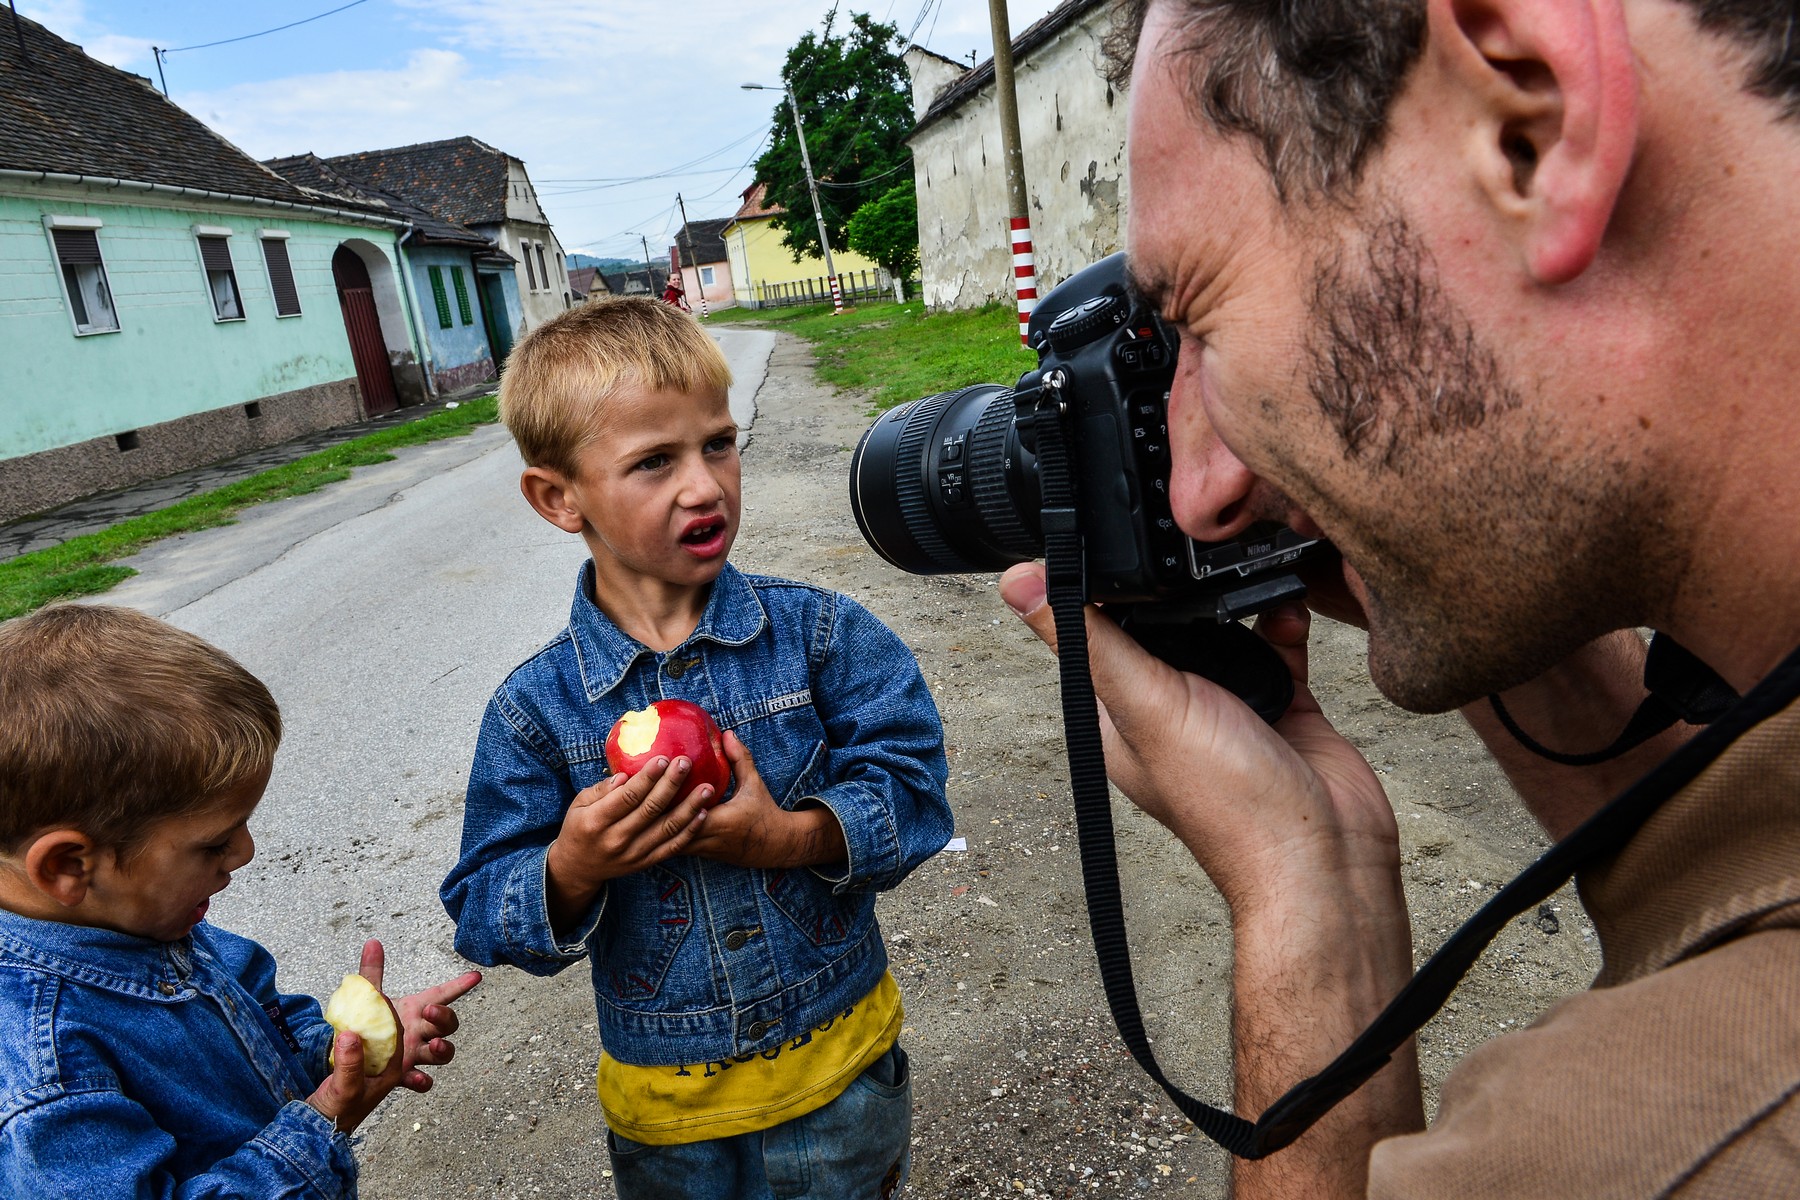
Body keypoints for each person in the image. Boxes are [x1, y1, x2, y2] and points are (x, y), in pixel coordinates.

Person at [997, 1, 1800, 1197]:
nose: (1206, 493)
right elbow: (1758, 872)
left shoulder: (1665, 1150)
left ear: (1530, 119)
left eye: (1199, 324)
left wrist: (1300, 899)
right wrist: (1465, 563)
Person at [440, 296, 952, 1198]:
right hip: (668, 1123)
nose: (706, 485)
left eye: (718, 442)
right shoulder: (534, 711)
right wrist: (570, 866)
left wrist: (794, 838)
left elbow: (916, 794)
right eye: (653, 462)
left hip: (840, 1076)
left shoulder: (823, 637)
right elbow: (481, 909)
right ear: (559, 497)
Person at [0, 604, 481, 1197]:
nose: (245, 852)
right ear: (70, 866)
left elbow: (262, 1022)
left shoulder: (154, 922)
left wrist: (341, 1050)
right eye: (214, 843)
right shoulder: (44, 1065)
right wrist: (325, 1118)